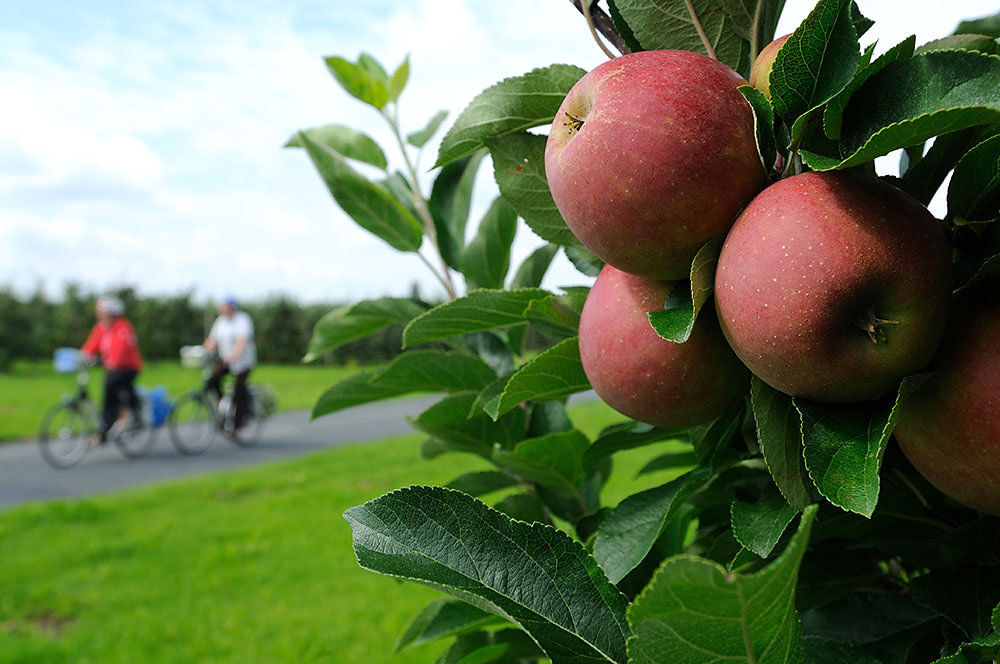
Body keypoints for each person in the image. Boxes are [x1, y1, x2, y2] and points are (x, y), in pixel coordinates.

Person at [80, 295, 143, 444]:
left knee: (109, 386)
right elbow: (91, 345)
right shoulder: (101, 328)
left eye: (102, 311)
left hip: (128, 368)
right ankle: (117, 418)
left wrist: (113, 361)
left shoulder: (123, 327)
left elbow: (120, 348)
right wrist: (81, 356)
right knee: (112, 386)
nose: (99, 314)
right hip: (113, 368)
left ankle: (106, 427)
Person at [202, 297, 257, 436]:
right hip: (226, 359)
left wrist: (233, 357)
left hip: (243, 361)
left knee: (239, 390)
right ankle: (222, 403)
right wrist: (203, 351)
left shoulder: (243, 320)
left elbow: (241, 342)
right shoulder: (220, 321)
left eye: (224, 306)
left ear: (231, 307)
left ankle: (237, 425)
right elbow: (212, 340)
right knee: (212, 379)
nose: (221, 309)